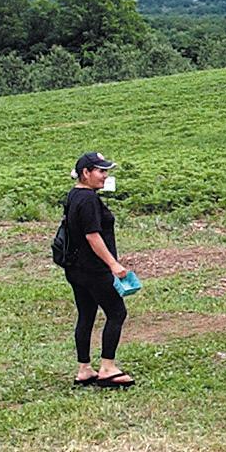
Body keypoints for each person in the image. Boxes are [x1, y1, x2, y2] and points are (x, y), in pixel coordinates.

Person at [62, 152, 135, 388]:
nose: (105, 176)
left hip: (75, 268)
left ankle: (84, 369)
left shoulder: (74, 195)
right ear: (86, 173)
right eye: (101, 171)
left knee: (86, 315)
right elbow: (92, 236)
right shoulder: (89, 200)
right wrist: (113, 264)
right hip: (94, 269)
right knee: (116, 312)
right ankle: (107, 367)